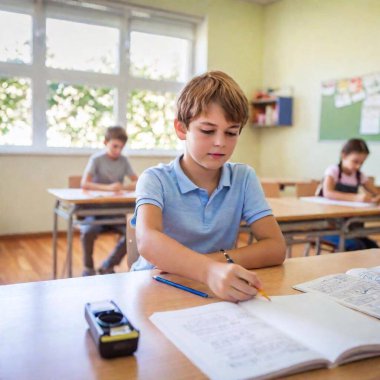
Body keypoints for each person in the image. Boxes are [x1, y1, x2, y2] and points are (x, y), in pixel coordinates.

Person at [131, 71, 286, 302]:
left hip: (215, 289)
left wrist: (213, 265)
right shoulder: (155, 179)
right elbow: (147, 241)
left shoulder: (243, 177)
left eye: (231, 133)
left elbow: (275, 247)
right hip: (155, 284)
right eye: (207, 130)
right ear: (182, 129)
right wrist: (209, 270)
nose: (220, 142)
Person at [80, 126, 138, 276]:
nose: (118, 150)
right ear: (105, 142)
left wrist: (124, 187)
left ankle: (108, 264)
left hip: (115, 211)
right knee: (87, 232)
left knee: (134, 232)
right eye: (115, 146)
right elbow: (84, 184)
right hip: (95, 211)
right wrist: (109, 188)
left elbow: (137, 181)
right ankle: (88, 268)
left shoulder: (124, 161)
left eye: (121, 147)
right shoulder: (96, 159)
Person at [321, 138, 380, 250]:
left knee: (373, 247)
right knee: (356, 246)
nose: (358, 166)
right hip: (330, 227)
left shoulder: (359, 175)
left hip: (352, 227)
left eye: (362, 163)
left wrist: (375, 198)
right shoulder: (333, 171)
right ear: (344, 156)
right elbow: (327, 193)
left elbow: (376, 193)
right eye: (355, 161)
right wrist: (356, 198)